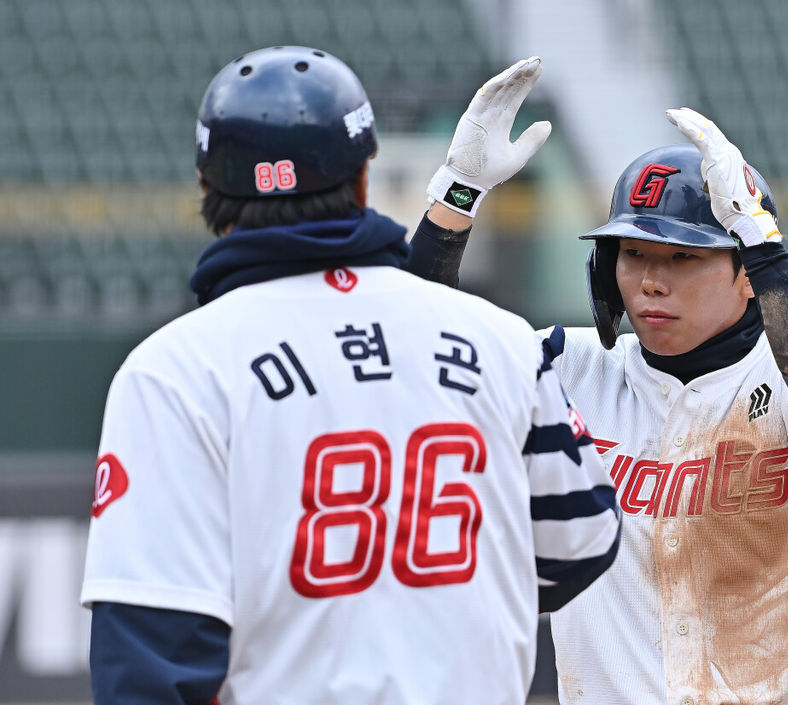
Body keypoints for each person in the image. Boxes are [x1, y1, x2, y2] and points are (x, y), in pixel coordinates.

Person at [80, 48, 620, 705]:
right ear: (364, 178)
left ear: (206, 190)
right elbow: (582, 538)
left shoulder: (175, 371)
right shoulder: (501, 340)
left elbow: (148, 657)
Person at [409, 87, 788, 702]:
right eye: (634, 254)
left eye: (684, 258)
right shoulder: (566, 366)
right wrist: (455, 196)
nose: (652, 281)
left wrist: (763, 243)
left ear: (748, 276)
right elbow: (414, 359)